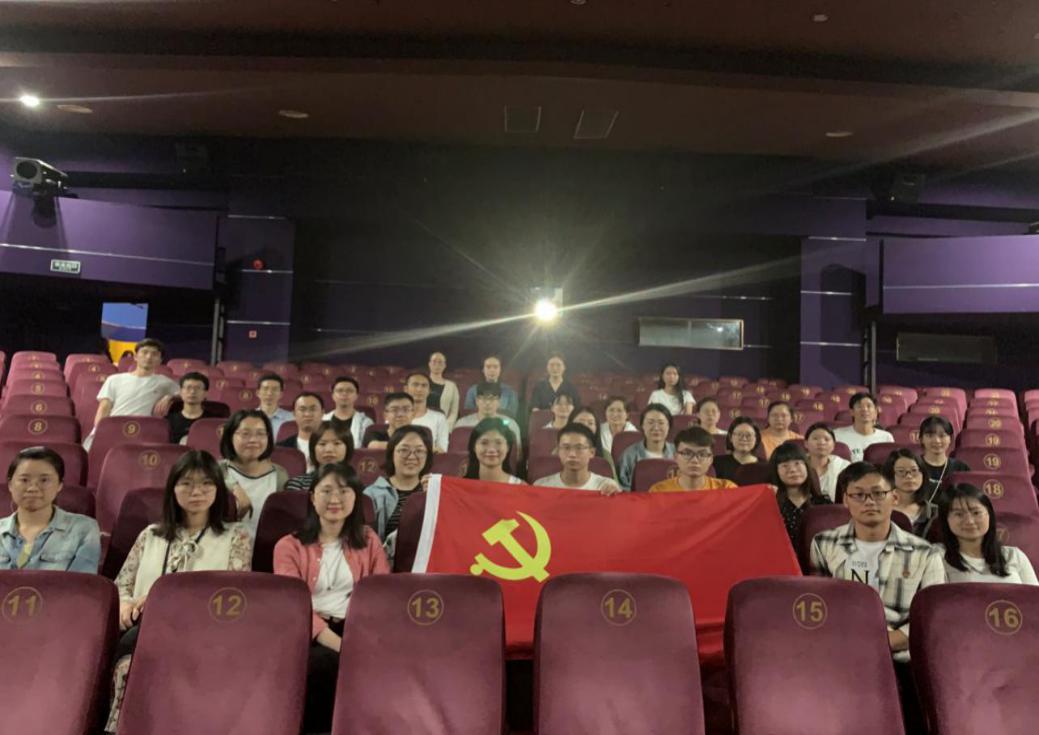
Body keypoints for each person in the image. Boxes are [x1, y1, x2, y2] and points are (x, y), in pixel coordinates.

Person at [107, 450, 252, 732]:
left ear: (218, 490)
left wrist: (159, 602)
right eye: (186, 483)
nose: (196, 492)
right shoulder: (151, 534)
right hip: (141, 627)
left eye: (206, 484)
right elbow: (122, 584)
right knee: (126, 657)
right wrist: (124, 604)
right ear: (173, 489)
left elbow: (232, 596)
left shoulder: (237, 536)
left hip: (203, 632)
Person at [273, 464, 389, 734]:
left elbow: (381, 594)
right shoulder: (288, 546)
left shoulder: (369, 540)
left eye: (344, 491)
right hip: (309, 631)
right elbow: (294, 607)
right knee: (323, 665)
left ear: (355, 498)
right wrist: (340, 644)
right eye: (326, 491)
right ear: (313, 497)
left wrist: (359, 639)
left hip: (358, 627)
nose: (335, 499)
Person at [810, 462, 944, 660]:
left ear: (895, 498)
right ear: (845, 500)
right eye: (858, 495)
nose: (869, 502)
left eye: (878, 493)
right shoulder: (824, 544)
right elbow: (820, 606)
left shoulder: (926, 554)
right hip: (839, 653)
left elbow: (933, 619)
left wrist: (881, 642)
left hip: (900, 659)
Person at [0, 446, 100, 572]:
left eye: (44, 480)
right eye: (24, 480)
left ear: (59, 485)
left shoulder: (84, 529)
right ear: (10, 485)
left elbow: (82, 582)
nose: (33, 488)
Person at [86, 338, 179, 450]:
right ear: (135, 357)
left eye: (154, 354)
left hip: (143, 434)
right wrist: (100, 431)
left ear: (160, 360)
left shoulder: (165, 382)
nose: (149, 357)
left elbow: (184, 394)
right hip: (114, 428)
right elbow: (104, 408)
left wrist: (170, 397)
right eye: (144, 352)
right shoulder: (114, 379)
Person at [936, 483, 1038, 585]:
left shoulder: (1014, 555)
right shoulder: (937, 556)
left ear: (989, 515)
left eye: (976, 513)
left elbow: (1033, 594)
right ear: (946, 520)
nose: (970, 521)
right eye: (959, 514)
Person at [219, 410, 289, 539]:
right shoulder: (217, 471)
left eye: (260, 434)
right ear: (230, 436)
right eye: (245, 434)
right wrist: (233, 487)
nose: (253, 440)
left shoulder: (280, 475)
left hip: (267, 547)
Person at [364, 427, 433, 541]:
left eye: (419, 451)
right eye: (404, 450)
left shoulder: (434, 492)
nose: (411, 457)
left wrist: (433, 499)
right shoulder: (372, 494)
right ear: (392, 453)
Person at [769, 441, 832, 544]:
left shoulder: (823, 503)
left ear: (806, 466)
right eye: (785, 466)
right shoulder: (770, 505)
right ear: (776, 471)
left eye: (797, 463)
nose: (793, 470)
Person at [533, 423, 620, 494]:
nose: (572, 454)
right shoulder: (541, 486)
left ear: (592, 452)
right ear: (558, 451)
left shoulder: (606, 487)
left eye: (579, 448)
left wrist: (615, 496)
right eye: (566, 447)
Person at [649, 427, 736, 493]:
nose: (694, 460)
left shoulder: (726, 489)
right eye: (687, 453)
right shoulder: (659, 491)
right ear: (675, 457)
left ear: (711, 459)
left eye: (702, 454)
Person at [617, 404, 676, 491]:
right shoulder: (629, 455)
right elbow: (622, 488)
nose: (656, 428)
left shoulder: (678, 452)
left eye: (661, 423)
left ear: (668, 426)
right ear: (642, 425)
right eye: (650, 422)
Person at [285, 421, 355, 493]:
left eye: (337, 443)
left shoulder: (356, 484)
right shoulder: (298, 484)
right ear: (313, 449)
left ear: (348, 448)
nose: (329, 450)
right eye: (322, 444)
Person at [453, 382, 523, 449]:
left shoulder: (511, 425)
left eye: (492, 399)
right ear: (477, 401)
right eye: (483, 398)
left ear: (499, 402)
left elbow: (517, 454)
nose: (487, 403)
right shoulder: (462, 424)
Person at [833, 392, 894, 462]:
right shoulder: (837, 435)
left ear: (875, 412)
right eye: (859, 406)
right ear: (851, 412)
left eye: (869, 406)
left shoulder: (886, 437)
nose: (865, 409)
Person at [882, 449, 931, 535]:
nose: (909, 476)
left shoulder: (934, 513)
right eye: (901, 471)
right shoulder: (881, 511)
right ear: (890, 475)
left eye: (914, 470)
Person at [918, 415, 970, 497]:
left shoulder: (961, 468)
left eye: (942, 436)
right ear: (921, 439)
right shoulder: (913, 466)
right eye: (930, 436)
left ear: (950, 439)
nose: (937, 441)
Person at [463, 417, 524, 485]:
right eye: (484, 443)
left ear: (507, 447)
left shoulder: (521, 487)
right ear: (474, 447)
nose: (491, 449)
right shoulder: (461, 486)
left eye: (498, 443)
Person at [321, 376, 373, 452]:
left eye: (349, 391)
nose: (344, 394)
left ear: (356, 396)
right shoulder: (323, 420)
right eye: (340, 391)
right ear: (333, 396)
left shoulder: (365, 422)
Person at [166, 371, 219, 444]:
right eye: (188, 388)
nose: (192, 392)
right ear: (181, 392)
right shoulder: (168, 421)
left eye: (197, 388)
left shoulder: (213, 421)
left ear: (205, 394)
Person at [278, 392, 325, 472]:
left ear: (322, 413)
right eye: (302, 409)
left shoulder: (334, 446)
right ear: (294, 414)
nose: (307, 414)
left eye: (313, 409)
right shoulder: (281, 449)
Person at [805, 422, 850, 501]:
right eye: (815, 438)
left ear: (833, 445)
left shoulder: (844, 466)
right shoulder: (797, 465)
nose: (821, 443)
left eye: (826, 439)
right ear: (806, 444)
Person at [405, 372, 449, 453]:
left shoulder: (439, 418)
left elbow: (442, 450)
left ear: (429, 391)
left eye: (424, 385)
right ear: (406, 389)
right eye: (415, 384)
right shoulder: (397, 416)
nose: (419, 389)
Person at [570, 407, 617, 477]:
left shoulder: (605, 455)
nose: (586, 426)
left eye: (590, 423)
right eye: (581, 422)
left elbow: (613, 482)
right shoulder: (559, 451)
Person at [712, 418, 762, 483]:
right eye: (739, 434)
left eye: (748, 435)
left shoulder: (765, 466)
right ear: (730, 438)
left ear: (756, 439)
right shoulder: (717, 463)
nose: (744, 439)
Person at [256, 373, 295, 439]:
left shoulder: (292, 419)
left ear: (281, 394)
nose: (269, 393)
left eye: (274, 389)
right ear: (258, 393)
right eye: (265, 389)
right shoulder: (247, 418)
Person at [427, 352, 460, 428]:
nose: (437, 365)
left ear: (444, 366)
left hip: (443, 426)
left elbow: (454, 412)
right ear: (429, 364)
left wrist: (445, 427)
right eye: (434, 361)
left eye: (440, 362)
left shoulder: (452, 386)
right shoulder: (421, 383)